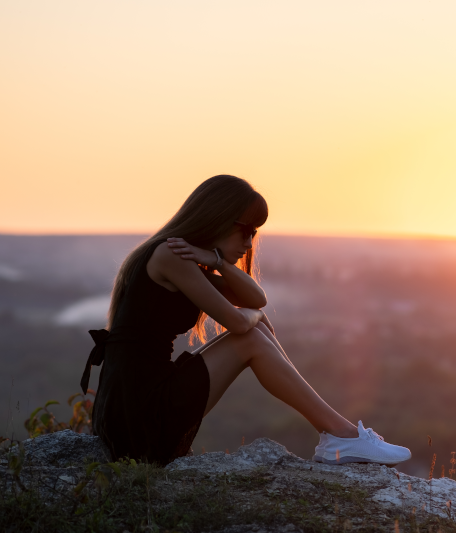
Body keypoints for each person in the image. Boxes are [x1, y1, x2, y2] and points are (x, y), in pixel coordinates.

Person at [81, 175, 411, 467]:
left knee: (258, 326)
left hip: (139, 405)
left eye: (254, 234)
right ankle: (340, 433)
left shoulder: (186, 260)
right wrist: (253, 316)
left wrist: (217, 261)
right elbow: (241, 323)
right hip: (139, 416)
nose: (249, 243)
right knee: (252, 335)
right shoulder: (170, 255)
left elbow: (256, 299)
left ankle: (339, 434)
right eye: (244, 231)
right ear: (218, 218)